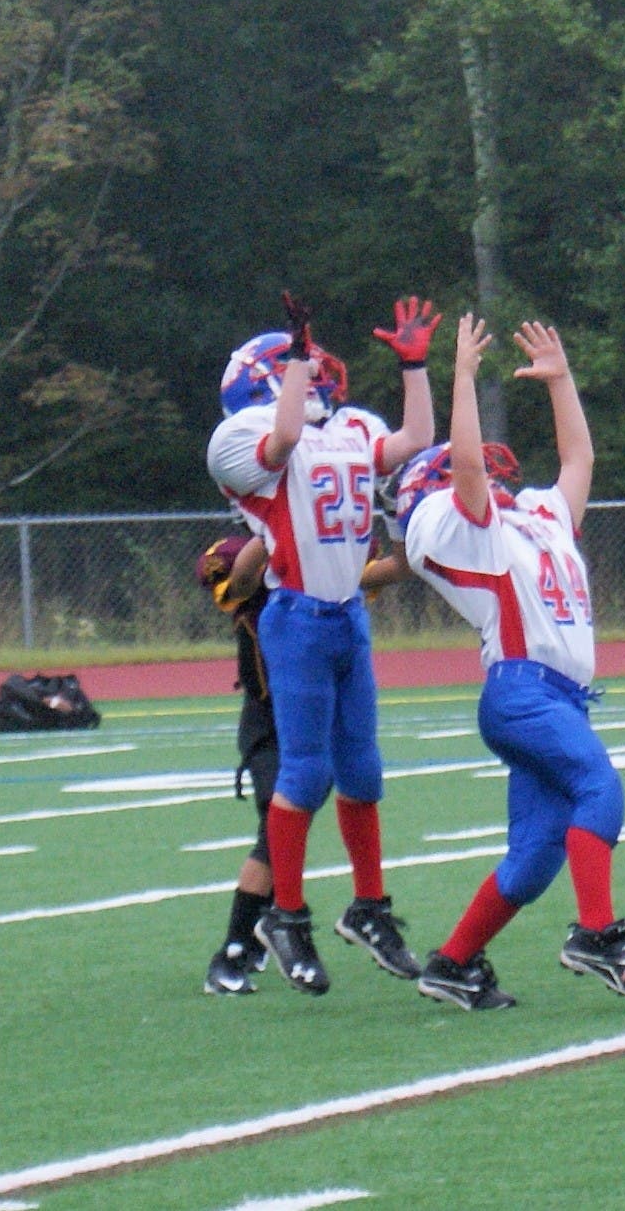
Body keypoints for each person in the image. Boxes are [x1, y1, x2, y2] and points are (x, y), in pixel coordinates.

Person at [396, 312, 625, 1010]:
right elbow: (463, 471)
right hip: (522, 691)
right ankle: (597, 934)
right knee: (599, 787)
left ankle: (453, 962)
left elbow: (579, 461)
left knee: (536, 854)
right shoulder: (463, 526)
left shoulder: (537, 517)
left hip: (556, 698)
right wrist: (459, 379)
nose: (498, 467)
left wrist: (561, 380)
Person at [206, 290, 440, 995]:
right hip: (297, 617)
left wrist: (415, 367)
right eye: (302, 364)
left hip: (345, 616)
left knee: (364, 772)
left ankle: (369, 907)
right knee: (304, 776)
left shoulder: (348, 428)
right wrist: (301, 364)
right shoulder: (239, 437)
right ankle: (286, 916)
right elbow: (278, 444)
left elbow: (413, 440)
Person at [195, 532, 278, 995]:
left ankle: (273, 923)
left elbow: (373, 574)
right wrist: (275, 528)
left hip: (313, 717)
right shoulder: (245, 552)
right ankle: (232, 949)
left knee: (289, 833)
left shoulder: (322, 550)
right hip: (269, 721)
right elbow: (227, 574)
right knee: (276, 829)